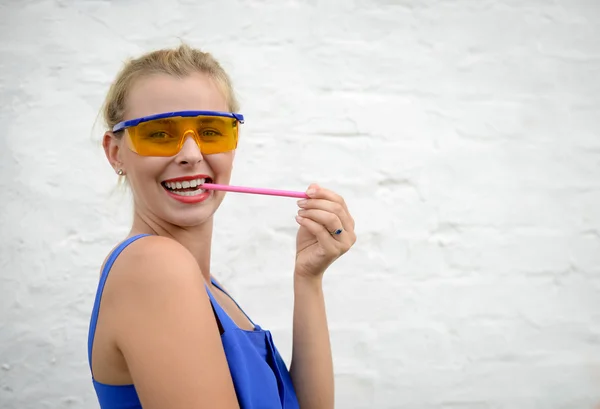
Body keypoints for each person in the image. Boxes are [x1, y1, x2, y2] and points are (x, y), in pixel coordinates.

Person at [86, 43, 357, 409]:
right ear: (116, 153)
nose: (192, 155)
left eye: (212, 131)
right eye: (160, 134)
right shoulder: (153, 267)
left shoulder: (210, 290)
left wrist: (308, 279)